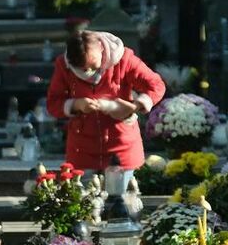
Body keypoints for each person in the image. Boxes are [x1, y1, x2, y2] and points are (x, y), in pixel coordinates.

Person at [46, 29, 166, 176]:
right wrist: (76, 105)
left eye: (93, 67)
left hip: (123, 148)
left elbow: (156, 85)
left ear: (102, 50)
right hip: (82, 152)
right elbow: (53, 104)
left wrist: (135, 106)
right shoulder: (63, 65)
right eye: (81, 69)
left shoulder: (124, 59)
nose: (88, 72)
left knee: (125, 196)